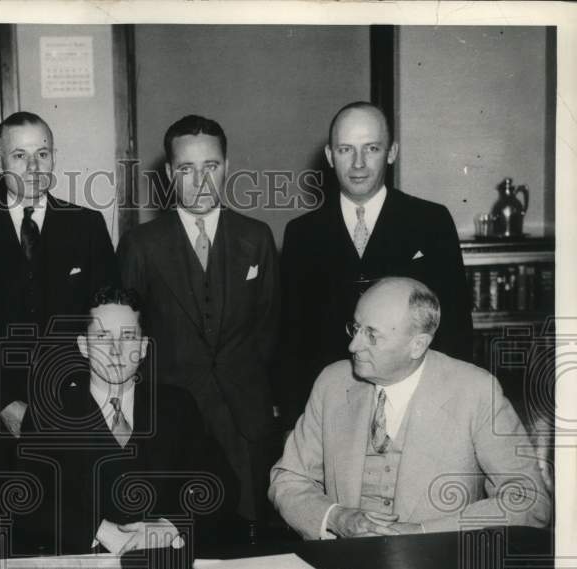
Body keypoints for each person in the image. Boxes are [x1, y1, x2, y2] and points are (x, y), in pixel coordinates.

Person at [269, 277, 551, 540]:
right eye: (355, 328)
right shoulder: (332, 383)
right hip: (344, 565)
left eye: (372, 335)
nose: (353, 345)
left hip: (438, 567)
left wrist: (423, 532)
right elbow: (288, 480)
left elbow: (530, 500)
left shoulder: (475, 391)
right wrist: (336, 517)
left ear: (417, 345)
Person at [118, 115, 280, 530]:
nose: (201, 180)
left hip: (244, 421)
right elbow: (127, 337)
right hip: (173, 423)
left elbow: (269, 327)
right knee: (181, 536)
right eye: (187, 169)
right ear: (170, 174)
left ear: (227, 166)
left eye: (211, 166)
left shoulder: (257, 238)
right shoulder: (141, 245)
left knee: (250, 540)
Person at [278, 101, 474, 423]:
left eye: (371, 148)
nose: (358, 163)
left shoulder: (431, 221)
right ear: (329, 156)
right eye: (345, 150)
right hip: (332, 409)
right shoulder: (302, 234)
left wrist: (453, 413)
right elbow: (291, 339)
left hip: (417, 404)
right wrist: (292, 422)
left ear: (392, 152)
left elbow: (455, 327)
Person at [14, 285, 238, 557]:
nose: (116, 350)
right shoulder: (48, 414)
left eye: (128, 336)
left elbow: (221, 483)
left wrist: (171, 526)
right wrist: (97, 529)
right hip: (82, 568)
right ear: (83, 346)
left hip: (166, 565)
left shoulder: (176, 406)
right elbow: (26, 501)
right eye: (102, 336)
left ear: (143, 347)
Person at [0, 111, 116, 460]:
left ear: (54, 157)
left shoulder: (88, 226)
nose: (33, 166)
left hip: (78, 408)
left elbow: (108, 322)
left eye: (42, 153)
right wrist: (2, 402)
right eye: (19, 156)